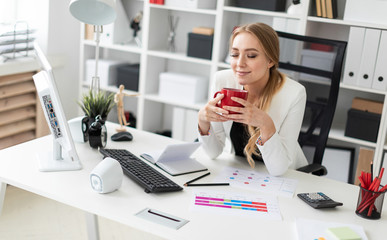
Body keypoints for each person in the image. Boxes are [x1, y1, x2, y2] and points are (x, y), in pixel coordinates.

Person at [197, 22, 308, 176]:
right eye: (235, 54)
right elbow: (213, 152)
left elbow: (279, 170)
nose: (239, 64)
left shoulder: (294, 93)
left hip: (285, 176)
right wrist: (203, 122)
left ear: (270, 60)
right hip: (241, 171)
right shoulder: (223, 81)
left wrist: (265, 124)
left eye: (251, 55)